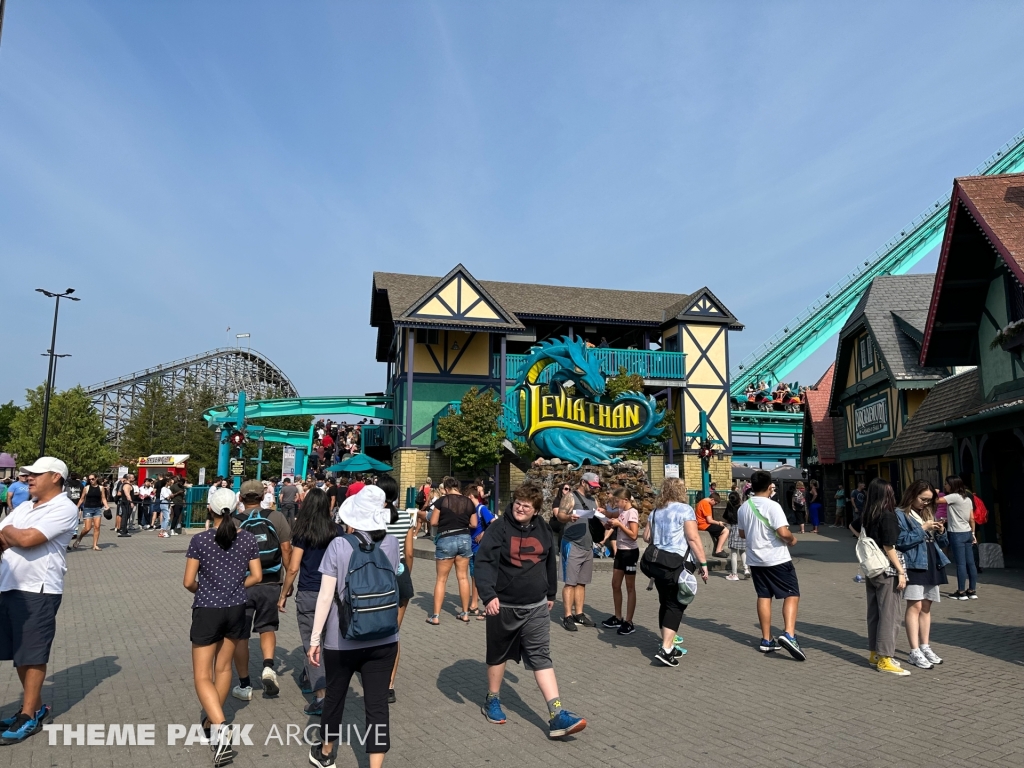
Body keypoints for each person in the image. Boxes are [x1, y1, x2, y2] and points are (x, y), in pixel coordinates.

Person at [475, 483, 587, 739]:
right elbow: (484, 562)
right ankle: (492, 699)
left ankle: (556, 714)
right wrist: (488, 595)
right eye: (517, 503)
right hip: (503, 606)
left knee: (541, 656)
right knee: (497, 654)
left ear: (536, 510)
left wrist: (550, 593)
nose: (520, 508)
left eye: (526, 505)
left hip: (535, 606)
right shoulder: (499, 528)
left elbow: (550, 559)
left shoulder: (543, 529)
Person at [307, 485, 399, 768]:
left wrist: (314, 639)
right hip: (385, 636)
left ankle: (325, 752)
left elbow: (325, 596)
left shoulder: (339, 544)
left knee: (335, 696)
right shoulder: (392, 542)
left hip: (342, 638)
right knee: (377, 705)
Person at [0, 458, 79, 745]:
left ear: (55, 477)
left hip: (39, 589)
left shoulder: (64, 507)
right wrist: (12, 536)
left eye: (35, 474)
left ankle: (29, 715)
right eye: (27, 474)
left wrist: (11, 535)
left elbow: (29, 538)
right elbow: (6, 537)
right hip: (9, 585)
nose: (27, 477)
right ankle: (33, 708)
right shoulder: (23, 506)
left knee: (32, 653)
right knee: (19, 653)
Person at [184, 487, 262, 766]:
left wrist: (206, 591)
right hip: (236, 608)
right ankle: (212, 721)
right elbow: (257, 575)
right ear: (237, 507)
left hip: (207, 609)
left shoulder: (200, 540)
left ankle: (220, 725)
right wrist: (234, 587)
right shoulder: (248, 538)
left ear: (210, 510)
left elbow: (188, 581)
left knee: (202, 675)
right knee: (223, 668)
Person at [278, 488, 339, 716]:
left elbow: (293, 567)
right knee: (330, 643)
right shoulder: (338, 531)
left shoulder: (303, 532)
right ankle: (331, 686)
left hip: (309, 593)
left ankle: (321, 697)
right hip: (333, 594)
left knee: (311, 645)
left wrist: (284, 593)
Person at [231, 479, 292, 700]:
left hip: (243, 585)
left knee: (241, 634)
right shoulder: (276, 518)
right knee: (267, 627)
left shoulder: (234, 521)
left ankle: (245, 683)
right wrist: (288, 583)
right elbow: (286, 550)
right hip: (271, 582)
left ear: (241, 497)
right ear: (263, 495)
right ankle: (268, 667)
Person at [737, 470, 804, 660]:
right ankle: (789, 634)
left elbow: (742, 534)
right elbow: (783, 532)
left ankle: (766, 639)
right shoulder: (773, 506)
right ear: (769, 486)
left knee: (764, 595)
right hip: (776, 558)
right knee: (792, 594)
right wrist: (792, 540)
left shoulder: (744, 507)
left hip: (755, 559)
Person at [642, 478, 708, 666]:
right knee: (676, 604)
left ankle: (668, 642)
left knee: (665, 601)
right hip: (677, 563)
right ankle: (666, 649)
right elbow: (693, 538)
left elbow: (647, 537)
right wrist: (703, 564)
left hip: (656, 564)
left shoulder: (655, 512)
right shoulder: (684, 510)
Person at [851, 478, 910, 675]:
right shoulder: (888, 515)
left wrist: (866, 541)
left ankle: (875, 653)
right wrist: (901, 572)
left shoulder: (869, 513)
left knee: (874, 611)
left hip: (871, 568)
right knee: (890, 614)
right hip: (887, 568)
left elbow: (852, 526)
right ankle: (885, 657)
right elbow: (889, 547)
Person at [895, 481, 947, 670]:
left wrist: (941, 531)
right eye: (922, 499)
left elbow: (941, 541)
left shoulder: (927, 512)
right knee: (915, 604)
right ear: (912, 495)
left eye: (929, 500)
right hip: (914, 562)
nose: (925, 503)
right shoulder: (900, 514)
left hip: (931, 561)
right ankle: (914, 650)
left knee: (926, 605)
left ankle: (925, 646)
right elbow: (900, 541)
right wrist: (922, 528)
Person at [553, 472, 602, 632]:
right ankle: (567, 616)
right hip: (572, 544)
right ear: (582, 482)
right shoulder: (571, 497)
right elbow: (560, 515)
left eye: (595, 487)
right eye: (591, 486)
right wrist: (569, 518)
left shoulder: (594, 499)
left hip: (588, 545)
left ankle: (579, 613)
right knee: (570, 582)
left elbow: (597, 517)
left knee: (582, 582)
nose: (593, 489)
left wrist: (605, 521)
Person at [426, 477, 477, 625]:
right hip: (464, 539)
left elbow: (433, 522)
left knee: (441, 579)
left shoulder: (442, 501)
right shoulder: (468, 502)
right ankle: (465, 613)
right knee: (463, 577)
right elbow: (474, 524)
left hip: (446, 538)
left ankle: (435, 616)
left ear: (446, 489)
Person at [599, 488, 640, 634]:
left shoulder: (632, 512)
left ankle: (629, 621)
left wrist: (620, 525)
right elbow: (613, 517)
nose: (616, 504)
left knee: (630, 587)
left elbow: (634, 535)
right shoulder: (622, 512)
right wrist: (609, 523)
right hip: (621, 551)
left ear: (626, 500)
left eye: (618, 501)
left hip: (630, 553)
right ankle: (618, 617)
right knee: (615, 584)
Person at [937, 476, 977, 600]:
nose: (945, 486)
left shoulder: (953, 496)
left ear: (952, 485)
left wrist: (936, 493)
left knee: (960, 564)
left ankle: (961, 592)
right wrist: (973, 534)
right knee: (971, 563)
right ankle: (972, 590)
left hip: (956, 533)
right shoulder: (967, 498)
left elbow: (937, 501)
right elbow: (971, 518)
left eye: (946, 484)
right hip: (967, 532)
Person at [466, 481, 495, 620]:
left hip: (480, 548)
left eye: (467, 498)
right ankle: (473, 605)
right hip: (471, 546)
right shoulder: (470, 511)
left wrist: (484, 534)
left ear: (472, 496)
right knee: (473, 576)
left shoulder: (481, 509)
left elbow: (494, 523)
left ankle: (485, 606)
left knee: (481, 576)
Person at [72, 473, 107, 551]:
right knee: (87, 528)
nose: (91, 481)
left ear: (96, 478)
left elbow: (103, 498)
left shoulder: (101, 488)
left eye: (93, 479)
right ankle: (79, 538)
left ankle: (95, 545)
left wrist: (107, 506)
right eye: (90, 479)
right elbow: (81, 499)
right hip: (88, 509)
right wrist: (76, 507)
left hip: (97, 509)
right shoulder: (86, 488)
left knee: (97, 527)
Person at [722, 491, 749, 581]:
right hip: (742, 530)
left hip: (734, 529)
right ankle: (746, 570)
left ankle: (734, 574)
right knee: (743, 551)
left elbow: (725, 517)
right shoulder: (742, 508)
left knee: (734, 553)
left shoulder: (729, 508)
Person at [695, 491, 729, 558]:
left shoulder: (702, 502)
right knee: (726, 531)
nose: (714, 505)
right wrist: (719, 523)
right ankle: (718, 550)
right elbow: (709, 520)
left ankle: (720, 549)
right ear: (712, 499)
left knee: (720, 532)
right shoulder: (706, 504)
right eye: (715, 503)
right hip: (704, 525)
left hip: (701, 524)